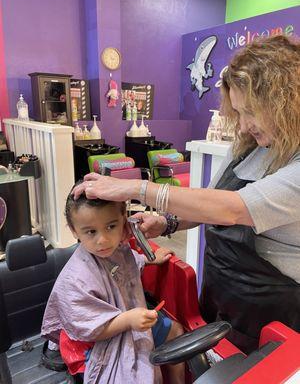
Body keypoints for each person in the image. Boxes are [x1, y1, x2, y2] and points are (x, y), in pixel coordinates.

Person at [72, 34, 300, 354]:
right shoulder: (249, 147)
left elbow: (234, 209)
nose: (245, 125)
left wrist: (139, 188)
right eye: (239, 112)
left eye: (251, 111)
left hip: (272, 310)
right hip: (222, 290)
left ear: (284, 103)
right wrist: (166, 223)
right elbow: (208, 203)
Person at [41, 184, 185, 383]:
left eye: (111, 226)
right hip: (93, 343)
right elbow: (89, 328)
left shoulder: (120, 250)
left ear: (124, 220)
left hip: (131, 317)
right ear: (74, 230)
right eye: (91, 231)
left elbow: (127, 263)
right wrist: (127, 320)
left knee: (176, 332)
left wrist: (149, 259)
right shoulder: (75, 280)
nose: (103, 240)